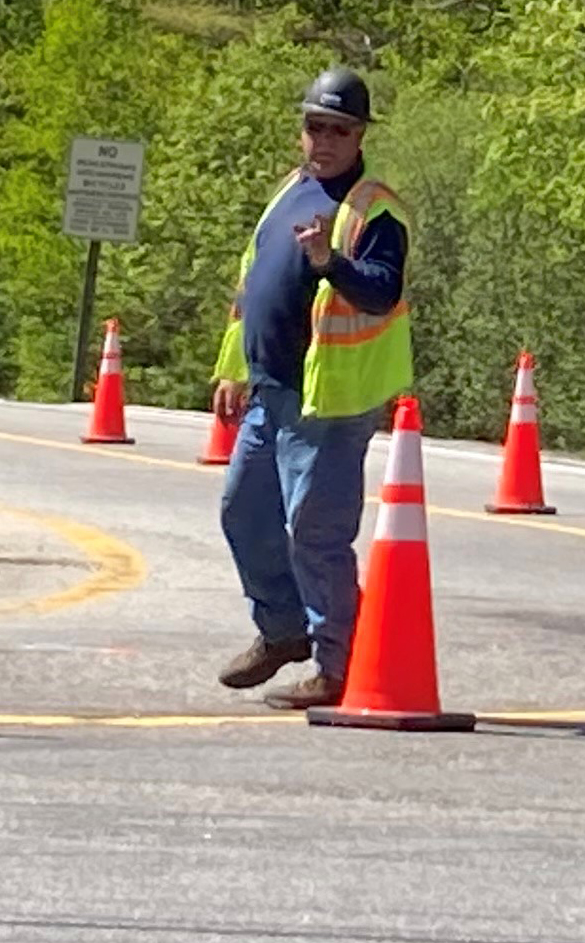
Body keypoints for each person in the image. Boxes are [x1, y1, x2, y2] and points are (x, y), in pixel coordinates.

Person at [210, 67, 412, 710]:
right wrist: (233, 365)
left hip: (330, 400)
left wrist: (331, 261)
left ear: (360, 136)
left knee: (315, 534)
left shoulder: (375, 210)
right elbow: (252, 285)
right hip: (270, 392)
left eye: (338, 129)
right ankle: (282, 631)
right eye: (313, 126)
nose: (323, 139)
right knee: (242, 513)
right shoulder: (289, 191)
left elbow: (381, 291)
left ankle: (337, 663)